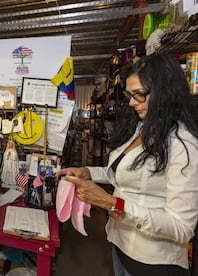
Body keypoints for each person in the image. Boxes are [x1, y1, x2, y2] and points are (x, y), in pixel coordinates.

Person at [59, 53, 198, 276]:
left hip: (153, 263)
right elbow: (120, 173)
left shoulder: (183, 144)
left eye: (139, 94)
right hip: (120, 245)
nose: (132, 102)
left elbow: (181, 228)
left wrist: (112, 203)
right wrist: (87, 172)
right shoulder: (141, 129)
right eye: (130, 95)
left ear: (165, 93)